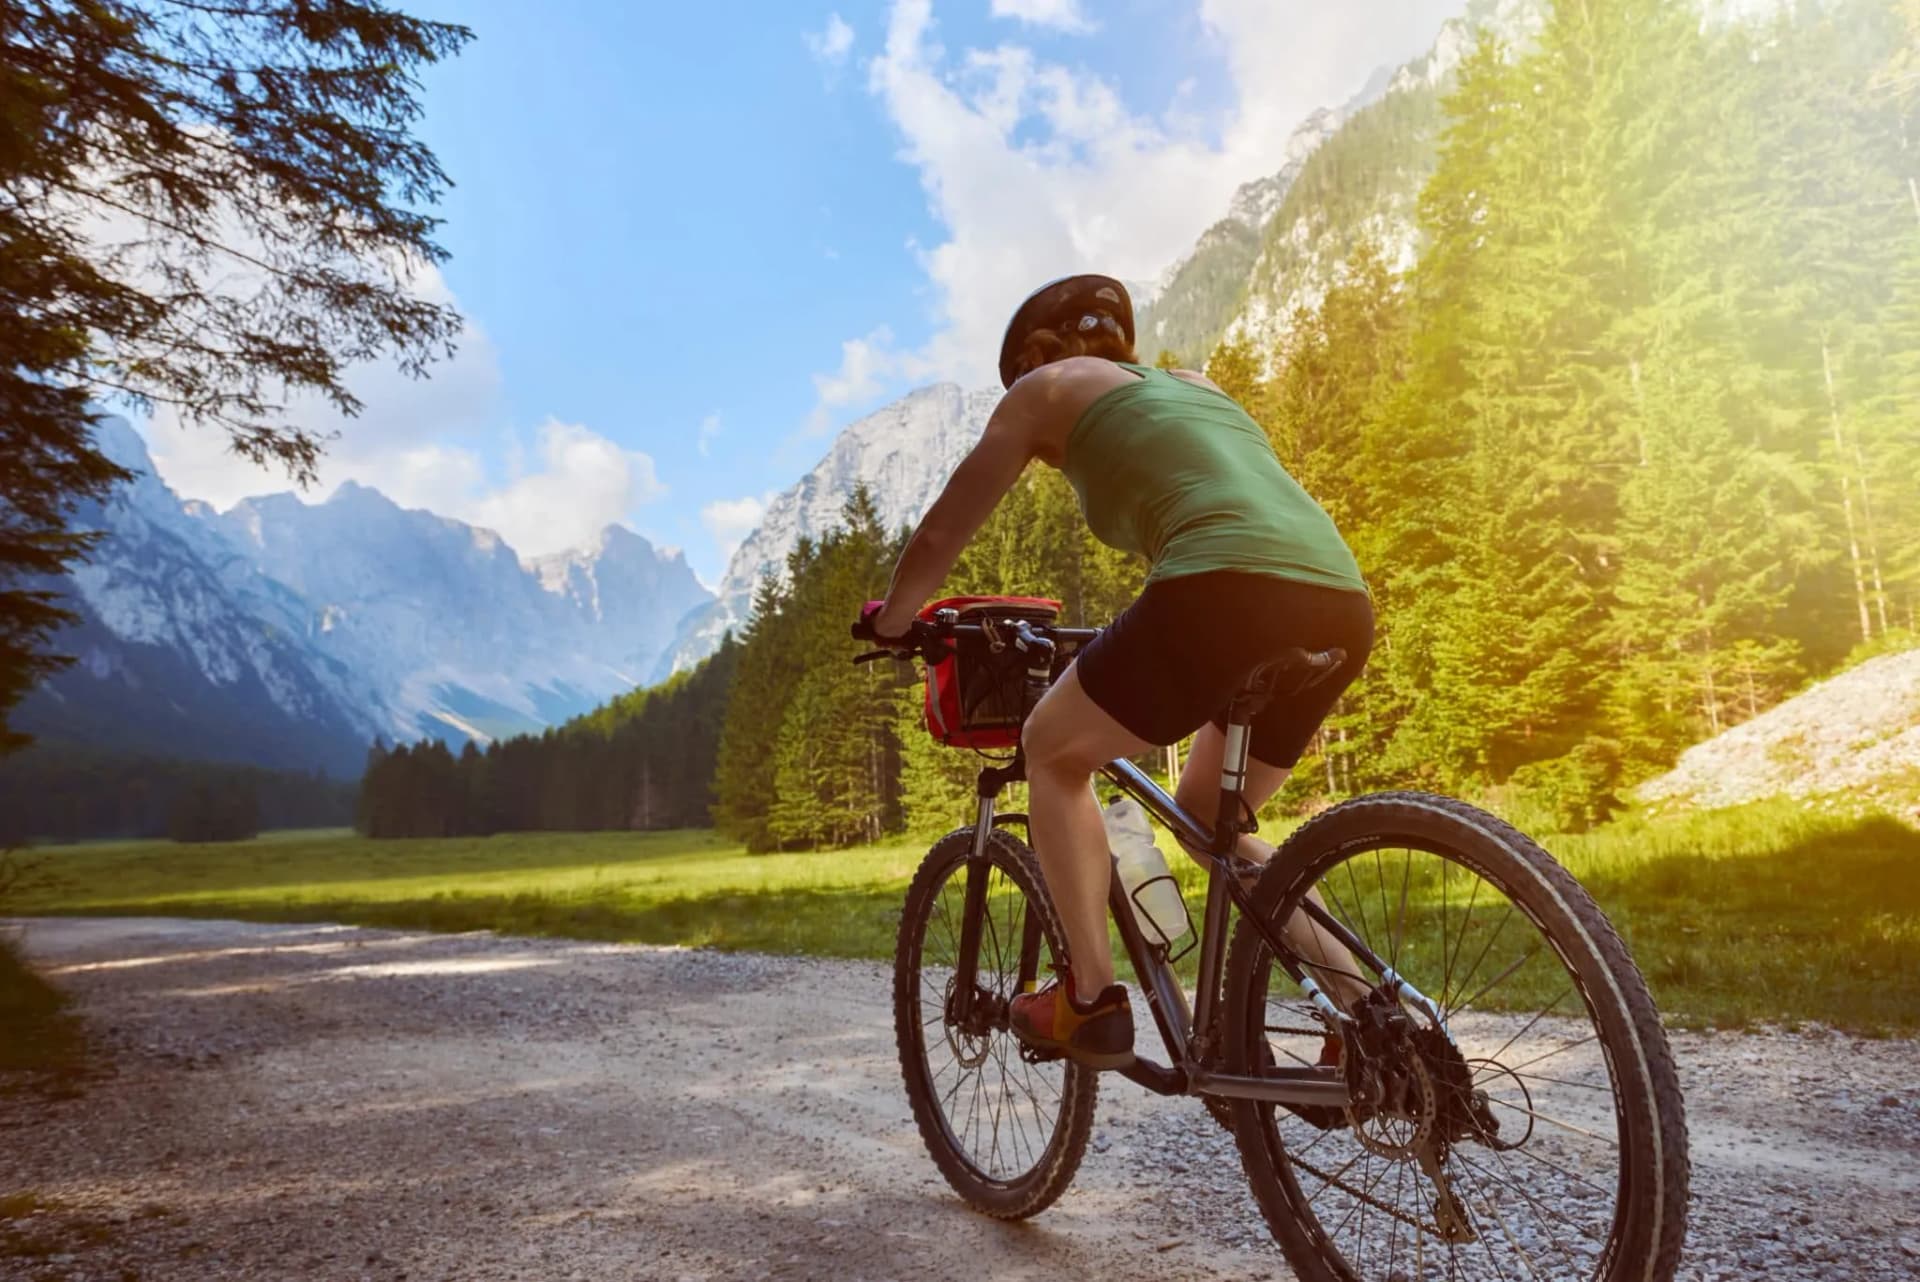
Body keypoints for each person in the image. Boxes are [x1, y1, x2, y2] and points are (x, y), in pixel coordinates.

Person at [865, 274, 1373, 1068]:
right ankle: (1371, 1017)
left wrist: (893, 620)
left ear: (1038, 352)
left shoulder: (1047, 387)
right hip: (1340, 598)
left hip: (1219, 585)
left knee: (1054, 748)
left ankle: (1088, 1002)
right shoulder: (1197, 387)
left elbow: (941, 534)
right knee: (1215, 820)